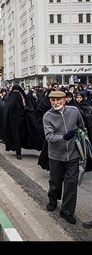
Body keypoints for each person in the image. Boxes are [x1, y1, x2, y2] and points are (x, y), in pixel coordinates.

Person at [43, 90, 85, 224]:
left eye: (58, 100)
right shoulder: (47, 116)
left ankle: (67, 211)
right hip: (56, 156)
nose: (55, 103)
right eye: (53, 100)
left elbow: (82, 127)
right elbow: (49, 136)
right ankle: (53, 200)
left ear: (65, 100)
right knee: (55, 182)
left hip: (73, 155)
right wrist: (64, 137)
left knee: (71, 183)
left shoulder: (74, 111)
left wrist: (82, 138)